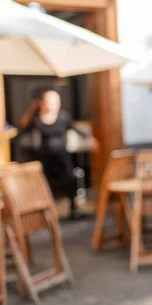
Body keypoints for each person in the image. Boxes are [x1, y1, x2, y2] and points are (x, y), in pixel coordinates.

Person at [19, 88, 97, 220]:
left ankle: (74, 209)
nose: (54, 104)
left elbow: (74, 128)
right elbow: (22, 131)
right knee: (45, 184)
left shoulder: (62, 116)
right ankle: (46, 212)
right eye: (51, 101)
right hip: (45, 156)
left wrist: (89, 139)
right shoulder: (37, 119)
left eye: (56, 101)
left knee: (70, 180)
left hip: (62, 154)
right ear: (43, 103)